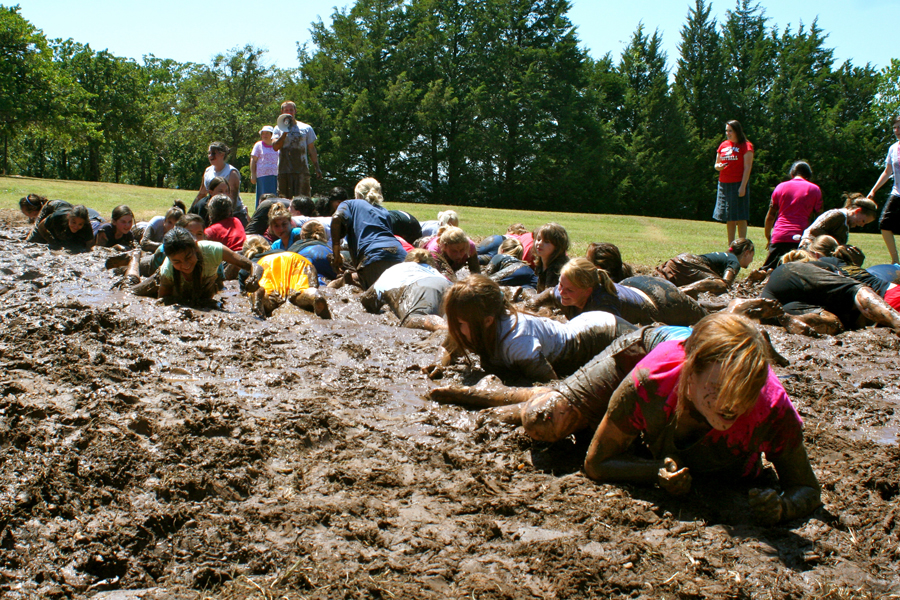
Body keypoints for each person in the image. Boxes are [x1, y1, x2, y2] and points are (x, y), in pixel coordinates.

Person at [582, 313, 821, 526]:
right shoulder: (652, 380)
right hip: (649, 339)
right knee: (559, 416)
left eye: (746, 390)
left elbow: (807, 488)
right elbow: (596, 463)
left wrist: (782, 508)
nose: (733, 404)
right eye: (719, 388)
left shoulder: (770, 407)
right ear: (691, 372)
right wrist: (654, 471)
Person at [430, 325, 693, 442]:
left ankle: (492, 393)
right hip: (645, 343)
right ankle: (490, 394)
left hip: (627, 336)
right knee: (565, 406)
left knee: (568, 407)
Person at [442, 274, 637, 383]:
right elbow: (450, 343)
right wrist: (438, 364)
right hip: (588, 324)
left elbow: (550, 382)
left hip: (602, 335)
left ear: (487, 321)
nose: (454, 329)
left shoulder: (517, 342)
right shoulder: (481, 322)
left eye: (459, 324)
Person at [530, 258, 775, 326]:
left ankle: (738, 307)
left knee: (709, 322)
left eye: (569, 289)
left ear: (588, 289)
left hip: (664, 304)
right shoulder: (565, 292)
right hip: (635, 285)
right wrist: (530, 307)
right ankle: (701, 296)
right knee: (703, 311)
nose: (561, 292)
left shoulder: (602, 309)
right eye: (561, 285)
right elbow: (547, 294)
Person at [762, 255, 900, 335]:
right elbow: (857, 291)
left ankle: (788, 319)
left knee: (835, 324)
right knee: (854, 291)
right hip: (788, 279)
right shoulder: (832, 269)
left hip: (778, 309)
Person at [123, 227, 261, 306]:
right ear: (170, 259)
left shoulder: (213, 250)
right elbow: (162, 302)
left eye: (188, 257)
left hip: (199, 288)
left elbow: (254, 266)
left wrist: (254, 278)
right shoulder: (168, 270)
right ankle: (134, 257)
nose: (185, 265)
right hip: (160, 281)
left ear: (196, 246)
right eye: (177, 262)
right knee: (129, 289)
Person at [331, 178, 407, 289]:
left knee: (374, 297)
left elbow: (337, 217)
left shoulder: (350, 203)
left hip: (373, 256)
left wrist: (336, 253)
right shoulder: (384, 211)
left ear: (357, 194)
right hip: (400, 256)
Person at [359, 249, 452, 331]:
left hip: (420, 287)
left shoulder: (394, 269)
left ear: (406, 260)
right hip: (449, 286)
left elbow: (367, 300)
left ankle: (445, 327)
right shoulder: (433, 270)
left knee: (413, 319)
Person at [241, 235, 330, 319]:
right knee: (303, 292)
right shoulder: (281, 250)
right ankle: (313, 295)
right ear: (268, 247)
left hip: (266, 268)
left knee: (262, 294)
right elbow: (314, 283)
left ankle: (259, 294)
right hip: (298, 261)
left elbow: (243, 293)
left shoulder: (250, 266)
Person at [761, 161, 823, 270]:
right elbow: (820, 218)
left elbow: (770, 216)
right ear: (809, 175)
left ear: (791, 173)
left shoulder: (780, 187)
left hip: (780, 236)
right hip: (802, 238)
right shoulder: (815, 189)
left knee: (768, 271)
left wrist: (768, 237)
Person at [655, 238, 758, 298]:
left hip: (675, 263)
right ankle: (681, 291)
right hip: (688, 264)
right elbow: (726, 282)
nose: (752, 260)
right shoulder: (734, 261)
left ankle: (679, 290)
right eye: (752, 256)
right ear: (747, 253)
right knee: (723, 285)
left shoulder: (725, 256)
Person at [714, 120, 754, 244]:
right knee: (729, 216)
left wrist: (743, 186)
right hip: (724, 184)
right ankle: (731, 245)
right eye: (726, 131)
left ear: (737, 131)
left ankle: (742, 245)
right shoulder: (723, 145)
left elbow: (748, 167)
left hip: (738, 183)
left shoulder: (746, 146)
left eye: (730, 131)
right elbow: (716, 164)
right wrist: (718, 166)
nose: (728, 133)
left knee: (741, 216)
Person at [191, 142, 249, 226]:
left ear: (222, 154)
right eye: (209, 153)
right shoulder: (208, 171)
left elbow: (232, 199)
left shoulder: (231, 172)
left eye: (213, 153)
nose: (210, 156)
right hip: (213, 213)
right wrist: (190, 213)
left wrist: (224, 219)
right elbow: (201, 194)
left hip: (234, 214)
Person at [867, 115, 900, 264]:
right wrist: (873, 190)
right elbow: (887, 172)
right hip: (897, 193)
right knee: (884, 223)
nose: (897, 130)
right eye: (895, 127)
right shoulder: (893, 148)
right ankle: (895, 261)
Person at [272, 101, 321, 198]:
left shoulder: (306, 128)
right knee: (284, 199)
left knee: (303, 199)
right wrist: (285, 132)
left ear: (295, 111)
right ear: (282, 112)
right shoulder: (278, 128)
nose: (289, 112)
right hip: (284, 170)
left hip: (302, 169)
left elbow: (311, 149)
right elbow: (275, 147)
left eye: (291, 110)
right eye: (286, 110)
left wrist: (317, 167)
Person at [798, 193, 878, 250]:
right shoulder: (838, 216)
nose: (862, 225)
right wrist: (838, 246)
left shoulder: (845, 221)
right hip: (810, 250)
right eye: (863, 221)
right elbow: (815, 230)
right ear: (857, 211)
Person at [27, 201, 95, 250]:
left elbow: (90, 243)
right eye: (74, 222)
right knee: (33, 239)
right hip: (51, 206)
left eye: (80, 224)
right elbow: (41, 227)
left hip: (67, 208)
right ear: (68, 216)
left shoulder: (86, 224)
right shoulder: (57, 216)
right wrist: (51, 240)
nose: (76, 226)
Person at [533, 223, 569, 291]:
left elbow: (548, 295)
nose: (540, 243)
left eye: (546, 241)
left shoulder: (558, 270)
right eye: (538, 239)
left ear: (557, 246)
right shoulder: (541, 263)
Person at [250, 125, 279, 206]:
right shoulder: (258, 145)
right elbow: (253, 160)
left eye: (267, 133)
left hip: (275, 176)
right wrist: (253, 175)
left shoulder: (277, 146)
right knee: (263, 198)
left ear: (272, 135)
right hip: (263, 176)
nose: (264, 135)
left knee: (274, 198)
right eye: (263, 134)